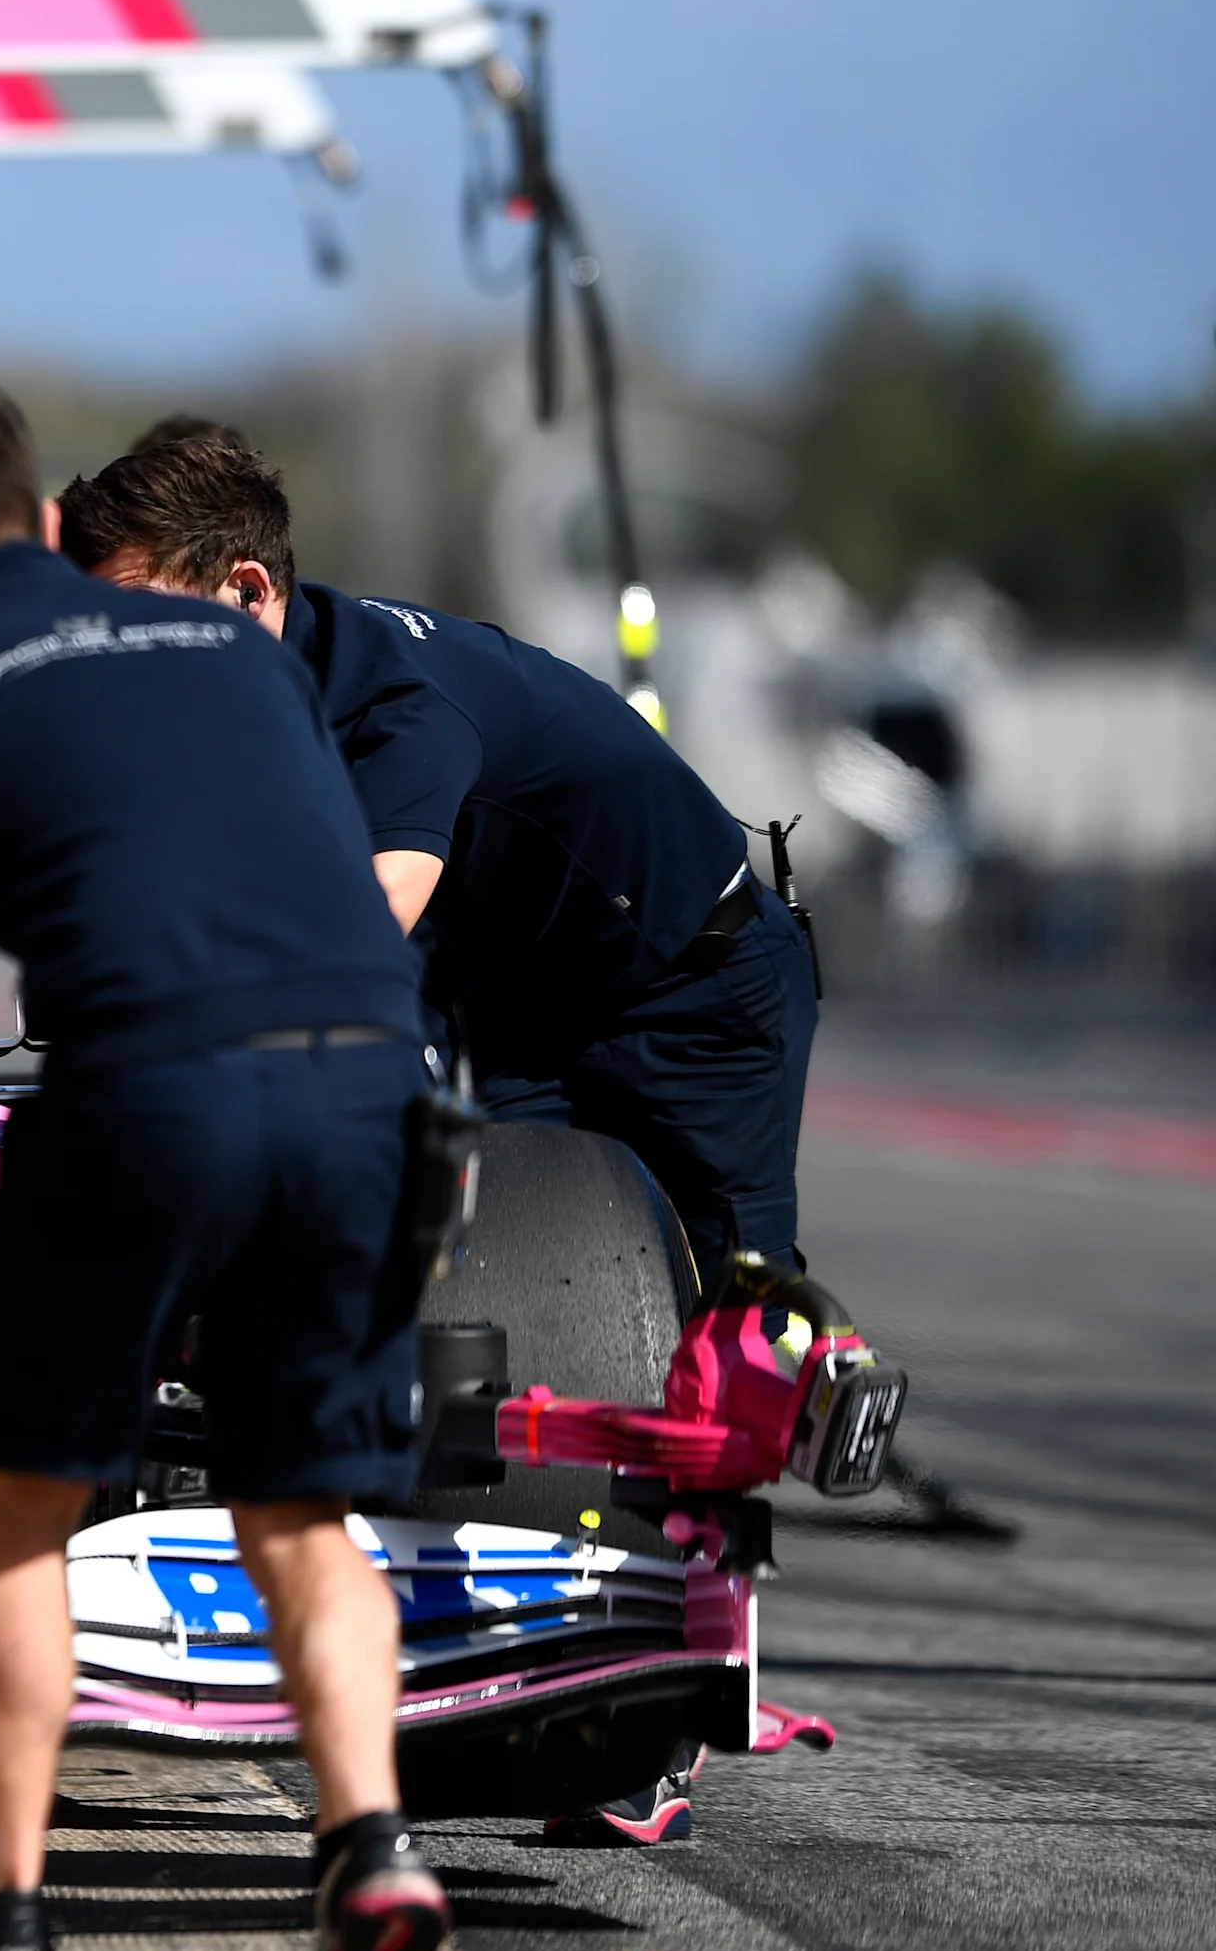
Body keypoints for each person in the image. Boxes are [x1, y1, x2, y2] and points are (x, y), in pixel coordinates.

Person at [0, 368, 449, 1951]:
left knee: (19, 1511)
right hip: (379, 1080)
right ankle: (369, 1852)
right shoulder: (242, 646)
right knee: (300, 1508)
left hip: (151, 1083)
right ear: (30, 515)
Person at [58, 422, 817, 1850]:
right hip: (523, 1001)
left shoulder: (394, 701)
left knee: (716, 1340)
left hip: (694, 993)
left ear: (242, 593)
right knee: (496, 1286)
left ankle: (666, 1703)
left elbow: (358, 927)